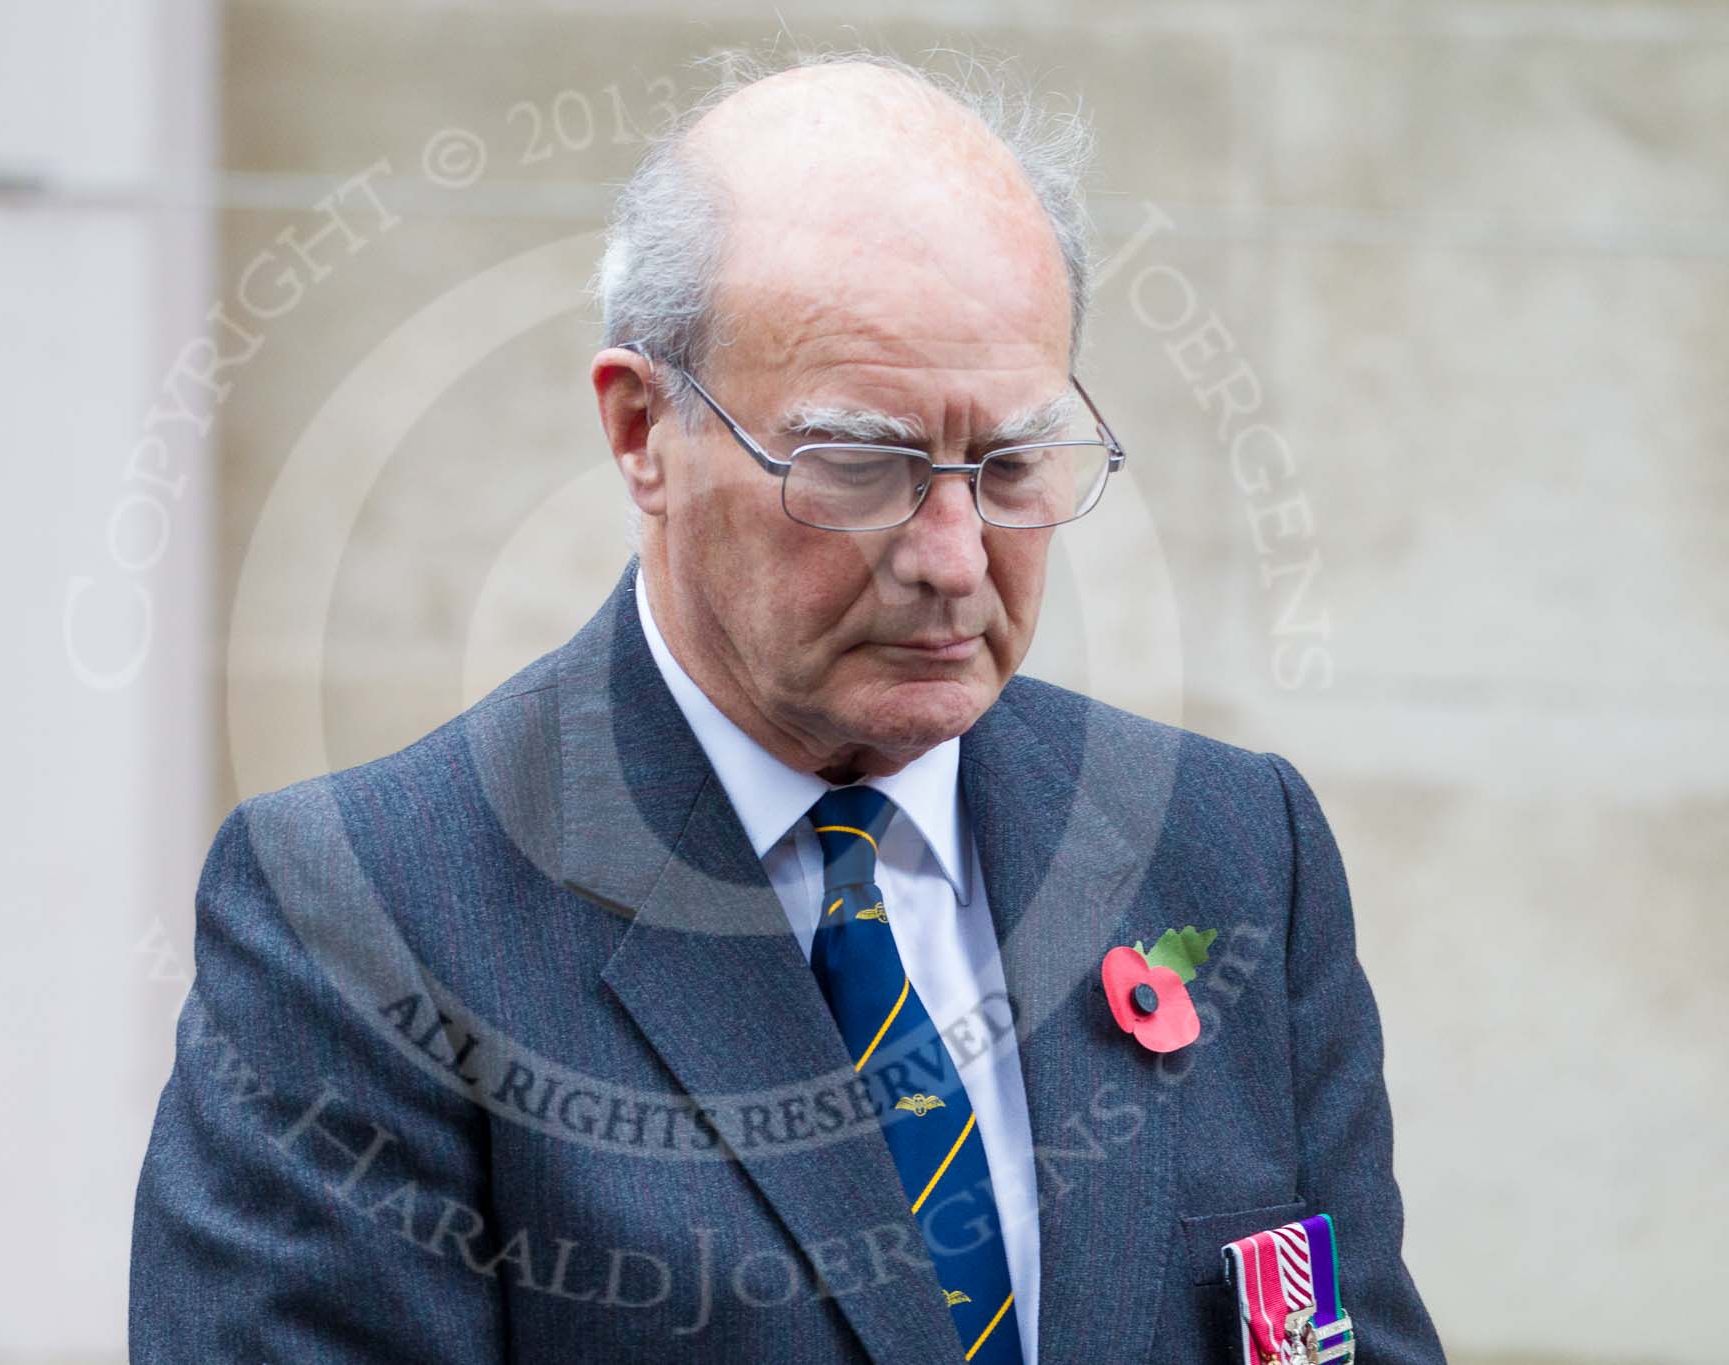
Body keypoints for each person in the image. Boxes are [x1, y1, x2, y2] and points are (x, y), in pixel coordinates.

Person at [131, 53, 1446, 1363]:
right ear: (643, 430)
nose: (950, 553)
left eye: (1009, 461)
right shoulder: (365, 922)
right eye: (859, 463)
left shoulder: (1228, 850)